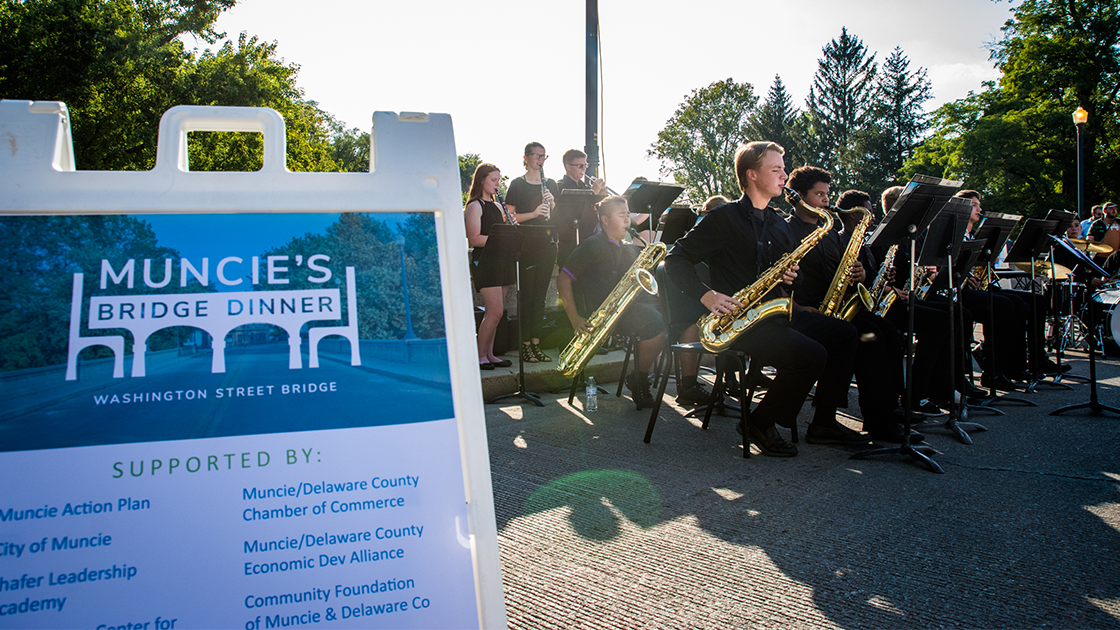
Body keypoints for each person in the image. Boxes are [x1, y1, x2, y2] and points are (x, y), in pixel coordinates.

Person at [665, 141, 863, 457]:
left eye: (783, 169)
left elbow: (781, 274)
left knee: (844, 334)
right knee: (810, 354)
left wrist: (787, 277)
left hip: (773, 312)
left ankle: (824, 422)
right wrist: (707, 295)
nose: (784, 175)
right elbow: (675, 258)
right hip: (739, 320)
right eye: (776, 169)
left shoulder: (777, 222)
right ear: (752, 175)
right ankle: (759, 421)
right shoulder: (723, 218)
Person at [784, 171, 913, 442]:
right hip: (806, 310)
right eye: (819, 195)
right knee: (867, 337)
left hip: (834, 307)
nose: (826, 201)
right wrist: (797, 306)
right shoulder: (786, 229)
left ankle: (886, 411)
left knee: (887, 332)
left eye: (827, 194)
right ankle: (831, 421)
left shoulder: (830, 233)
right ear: (799, 198)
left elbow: (844, 272)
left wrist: (861, 275)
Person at [557, 196, 665, 406]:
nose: (627, 220)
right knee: (656, 324)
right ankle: (640, 380)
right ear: (605, 219)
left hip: (625, 309)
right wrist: (574, 318)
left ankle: (639, 377)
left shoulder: (629, 248)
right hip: (601, 314)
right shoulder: (591, 245)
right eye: (621, 215)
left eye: (628, 215)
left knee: (661, 318)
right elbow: (563, 280)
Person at [504, 142, 560, 364]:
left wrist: (552, 203)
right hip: (525, 246)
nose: (540, 160)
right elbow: (509, 218)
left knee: (540, 298)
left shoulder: (550, 184)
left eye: (544, 156)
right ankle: (524, 346)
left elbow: (556, 217)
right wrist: (534, 212)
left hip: (546, 245)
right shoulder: (517, 184)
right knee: (526, 297)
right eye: (536, 156)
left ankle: (536, 345)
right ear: (526, 158)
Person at [464, 163, 515, 371]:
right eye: (493, 180)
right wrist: (500, 239)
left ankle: (490, 354)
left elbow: (503, 236)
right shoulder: (475, 206)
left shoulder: (496, 206)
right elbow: (475, 238)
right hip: (485, 262)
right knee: (493, 312)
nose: (497, 184)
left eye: (498, 180)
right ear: (482, 180)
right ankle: (479, 355)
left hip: (501, 260)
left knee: (498, 313)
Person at [555, 149, 608, 265]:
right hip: (570, 241)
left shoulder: (585, 187)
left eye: (585, 165)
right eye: (580, 166)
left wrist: (602, 196)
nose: (584, 169)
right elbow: (575, 211)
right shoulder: (560, 186)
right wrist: (593, 193)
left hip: (588, 238)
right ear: (568, 167)